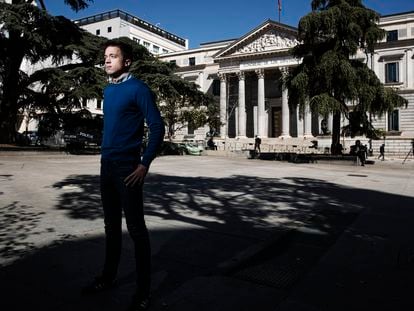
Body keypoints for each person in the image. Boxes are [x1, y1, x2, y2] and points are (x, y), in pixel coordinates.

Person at [81, 39, 164, 311]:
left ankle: (143, 292)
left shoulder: (138, 89)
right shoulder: (108, 90)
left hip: (128, 169)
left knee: (137, 230)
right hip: (106, 165)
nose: (107, 60)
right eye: (105, 56)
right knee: (110, 226)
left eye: (113, 56)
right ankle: (108, 277)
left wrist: (144, 164)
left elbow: (157, 126)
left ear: (126, 61)